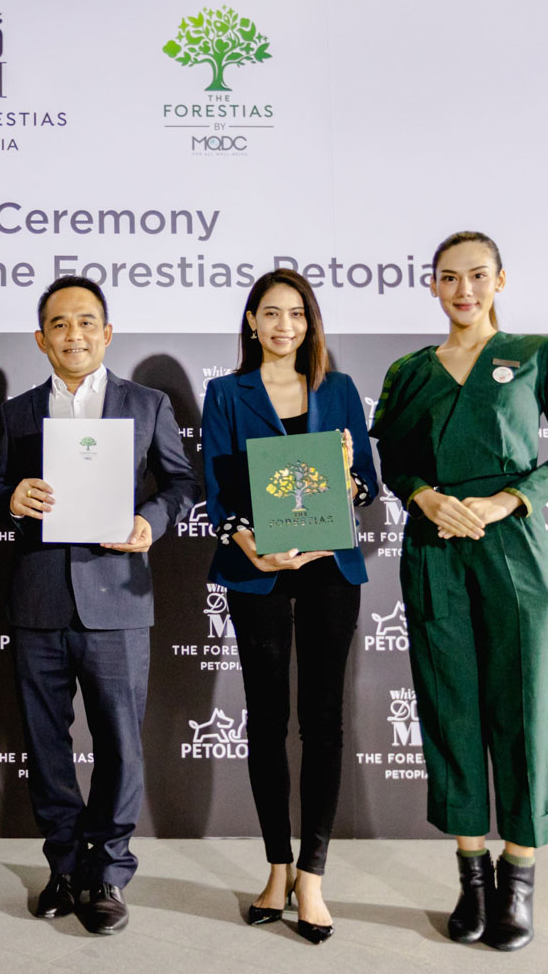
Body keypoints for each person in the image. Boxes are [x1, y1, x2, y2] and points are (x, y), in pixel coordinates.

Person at [370, 231, 548, 951]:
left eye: (475, 275)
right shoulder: (410, 370)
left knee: (521, 707)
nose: (462, 289)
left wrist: (508, 500)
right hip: (434, 546)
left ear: (500, 280)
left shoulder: (536, 354)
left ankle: (518, 874)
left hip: (512, 546)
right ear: (432, 286)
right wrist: (424, 496)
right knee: (449, 709)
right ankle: (472, 875)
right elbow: (392, 458)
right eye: (448, 277)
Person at [0, 276, 198, 935]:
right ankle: (63, 866)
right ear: (40, 338)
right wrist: (10, 499)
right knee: (46, 745)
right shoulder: (18, 412)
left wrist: (149, 521)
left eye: (85, 322)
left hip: (118, 600)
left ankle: (106, 873)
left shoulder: (148, 404)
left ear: (106, 333)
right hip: (38, 601)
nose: (72, 334)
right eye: (59, 324)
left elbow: (182, 483)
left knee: (120, 745)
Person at [198, 269, 378, 944]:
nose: (284, 326)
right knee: (267, 720)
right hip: (258, 571)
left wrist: (347, 474)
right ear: (251, 321)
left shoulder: (339, 389)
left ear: (310, 322)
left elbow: (366, 488)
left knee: (324, 723)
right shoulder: (226, 393)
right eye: (270, 313)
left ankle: (313, 877)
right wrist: (252, 547)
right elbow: (217, 489)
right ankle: (276, 867)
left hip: (330, 568)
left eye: (296, 314)